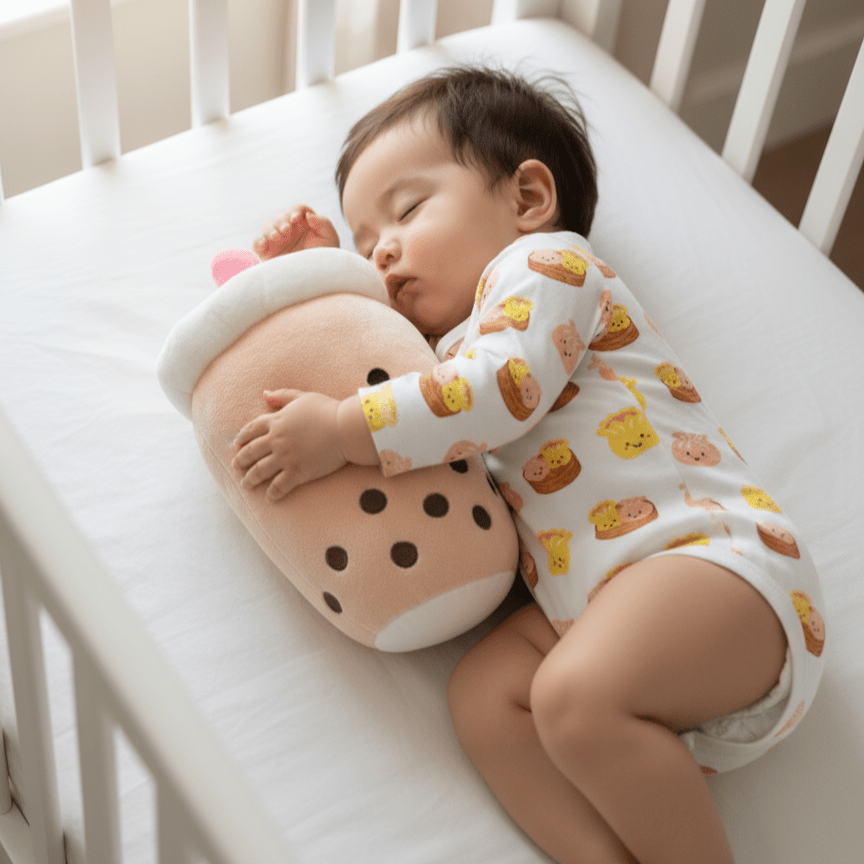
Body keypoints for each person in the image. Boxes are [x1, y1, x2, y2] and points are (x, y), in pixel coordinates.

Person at [233, 67, 825, 864]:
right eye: (367, 244)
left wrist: (342, 428)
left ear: (527, 199)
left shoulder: (549, 269)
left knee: (571, 696)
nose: (385, 252)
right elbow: (391, 370)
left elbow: (494, 394)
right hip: (601, 606)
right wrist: (323, 280)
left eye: (407, 211)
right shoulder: (440, 345)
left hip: (709, 562)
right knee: (484, 697)